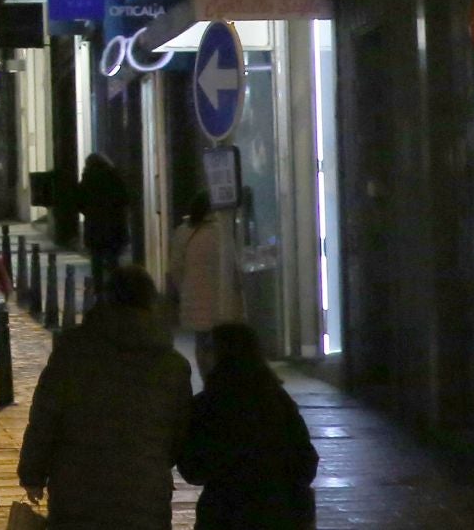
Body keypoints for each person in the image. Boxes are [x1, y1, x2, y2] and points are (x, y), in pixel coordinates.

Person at [18, 265, 193, 530]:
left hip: (76, 493)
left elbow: (46, 416)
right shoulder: (172, 365)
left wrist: (32, 473)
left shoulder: (73, 350)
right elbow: (179, 434)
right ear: (150, 303)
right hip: (143, 495)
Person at [177, 322, 318, 529]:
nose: (200, 356)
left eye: (207, 349)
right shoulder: (277, 399)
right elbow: (306, 462)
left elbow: (193, 469)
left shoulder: (208, 405)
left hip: (225, 517)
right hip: (281, 515)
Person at [168, 192, 242, 375]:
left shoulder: (183, 232)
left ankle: (205, 376)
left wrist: (183, 289)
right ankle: (219, 377)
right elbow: (233, 265)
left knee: (201, 341)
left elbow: (175, 267)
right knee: (220, 341)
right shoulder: (221, 232)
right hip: (219, 297)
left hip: (193, 297)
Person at [77, 153, 129, 300]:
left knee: (97, 261)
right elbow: (125, 199)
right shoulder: (114, 177)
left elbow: (79, 202)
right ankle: (117, 290)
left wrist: (91, 212)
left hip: (95, 228)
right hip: (114, 227)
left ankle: (99, 291)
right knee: (113, 260)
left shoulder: (87, 179)